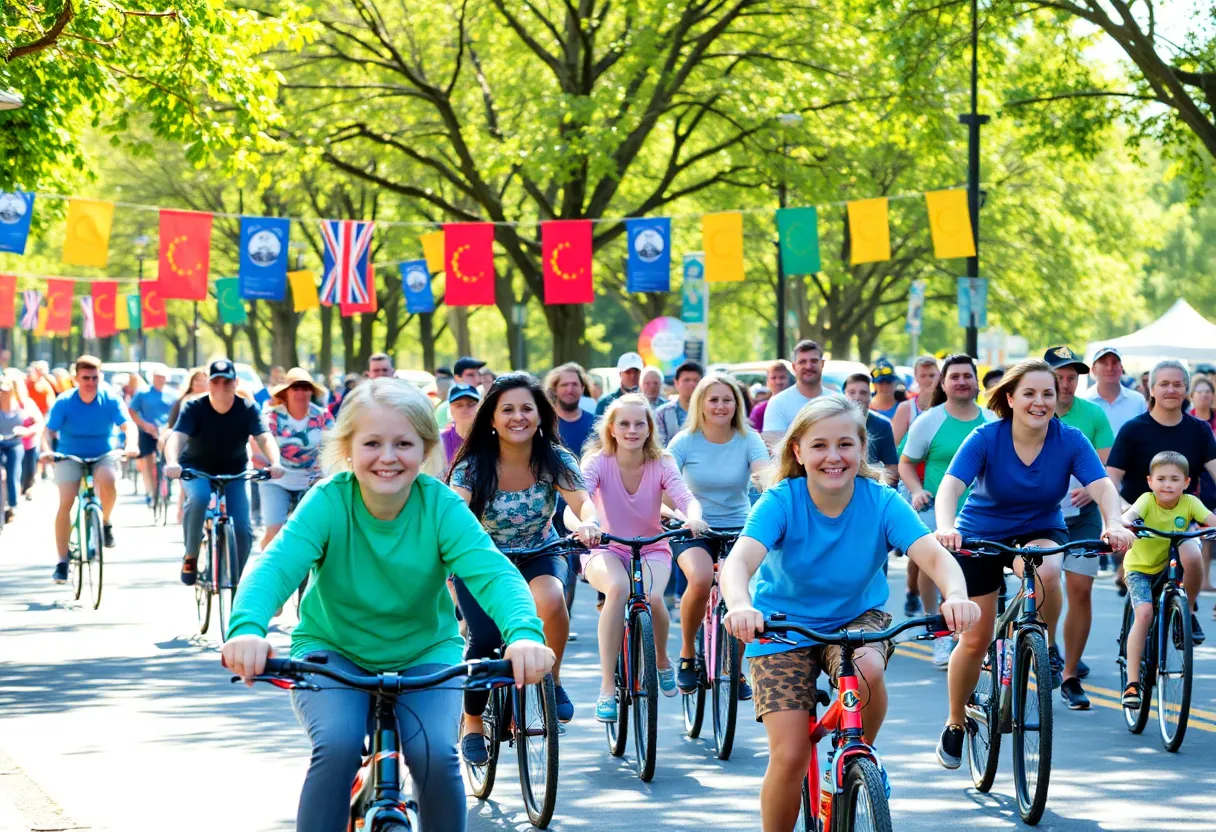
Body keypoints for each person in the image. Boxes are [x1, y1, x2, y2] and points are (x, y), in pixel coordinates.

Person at [223, 378, 553, 832]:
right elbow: (277, 566)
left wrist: (524, 635)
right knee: (337, 745)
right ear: (347, 448)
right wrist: (246, 629)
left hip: (425, 656)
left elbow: (494, 574)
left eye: (403, 443)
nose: (388, 456)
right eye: (372, 443)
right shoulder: (328, 500)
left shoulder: (439, 505)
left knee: (436, 756)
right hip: (331, 653)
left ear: (426, 448)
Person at [720, 396, 980, 830]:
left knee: (867, 669)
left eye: (845, 444)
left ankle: (858, 756)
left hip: (856, 620)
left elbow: (934, 556)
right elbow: (739, 563)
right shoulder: (781, 500)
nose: (833, 456)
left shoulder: (881, 500)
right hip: (780, 628)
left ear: (861, 449)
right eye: (819, 445)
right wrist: (742, 606)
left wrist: (955, 594)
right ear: (798, 452)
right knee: (789, 756)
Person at [932, 358, 1134, 769]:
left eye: (1047, 394)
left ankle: (1043, 641)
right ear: (1010, 398)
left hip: (1039, 528)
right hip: (979, 534)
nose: (1039, 402)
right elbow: (950, 487)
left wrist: (1114, 522)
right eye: (1029, 393)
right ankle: (955, 723)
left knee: (1047, 570)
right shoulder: (986, 437)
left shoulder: (1071, 439)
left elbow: (1102, 488)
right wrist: (945, 527)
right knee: (974, 638)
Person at [447, 372, 600, 760]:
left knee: (551, 601)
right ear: (492, 419)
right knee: (483, 639)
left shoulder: (556, 458)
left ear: (540, 415)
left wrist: (589, 522)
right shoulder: (472, 464)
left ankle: (553, 676)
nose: (519, 417)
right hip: (482, 560)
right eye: (508, 409)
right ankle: (473, 722)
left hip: (539, 550)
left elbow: (581, 502)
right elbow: (454, 510)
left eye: (527, 409)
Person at [573, 394, 706, 719]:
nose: (632, 430)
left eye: (639, 424)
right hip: (605, 547)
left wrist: (693, 517)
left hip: (651, 547)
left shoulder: (662, 462)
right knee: (618, 589)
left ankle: (661, 658)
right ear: (612, 429)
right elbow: (580, 502)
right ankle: (607, 688)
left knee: (654, 598)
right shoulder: (597, 462)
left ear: (649, 428)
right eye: (624, 424)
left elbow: (685, 497)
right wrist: (586, 524)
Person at [667, 373, 770, 698]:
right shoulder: (685, 441)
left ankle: (736, 670)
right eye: (713, 399)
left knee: (737, 590)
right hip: (693, 527)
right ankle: (686, 655)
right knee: (699, 579)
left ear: (737, 405)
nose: (721, 406)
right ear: (701, 403)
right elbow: (665, 483)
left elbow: (764, 474)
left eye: (727, 399)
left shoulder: (747, 438)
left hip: (738, 526)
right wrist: (675, 515)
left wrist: (770, 491)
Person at [1107, 359, 1216, 641]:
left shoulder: (1199, 429)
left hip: (1181, 516)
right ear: (1151, 389)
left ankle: (1187, 611)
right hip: (1140, 520)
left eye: (1178, 384)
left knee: (1192, 556)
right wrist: (1119, 517)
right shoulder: (1134, 429)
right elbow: (1111, 480)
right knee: (1144, 598)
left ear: (1186, 390)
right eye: (1164, 384)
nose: (1171, 389)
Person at [897, 354, 993, 664]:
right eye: (955, 376)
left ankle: (977, 634)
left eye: (968, 375)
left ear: (977, 382)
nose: (962, 381)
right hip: (937, 509)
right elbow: (906, 463)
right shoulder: (929, 419)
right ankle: (934, 624)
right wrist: (916, 489)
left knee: (979, 574)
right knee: (931, 565)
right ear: (944, 383)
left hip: (983, 512)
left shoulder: (992, 420)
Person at [164, 360, 285, 585]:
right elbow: (177, 436)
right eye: (216, 381)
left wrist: (275, 462)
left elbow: (264, 436)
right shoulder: (194, 407)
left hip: (235, 471)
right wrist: (172, 462)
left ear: (235, 382)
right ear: (209, 384)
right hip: (197, 468)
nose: (221, 386)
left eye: (227, 381)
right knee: (198, 498)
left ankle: (235, 579)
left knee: (242, 528)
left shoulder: (247, 408)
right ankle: (191, 554)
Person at [1042, 346, 1114, 709]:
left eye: (1072, 377)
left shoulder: (1093, 414)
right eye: (1059, 377)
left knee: (1081, 589)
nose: (1066, 384)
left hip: (1083, 517)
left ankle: (1070, 675)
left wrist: (1091, 489)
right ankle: (1045, 647)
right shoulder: (1034, 411)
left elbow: (1103, 470)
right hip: (1040, 517)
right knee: (1046, 583)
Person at [1119, 451, 1216, 708]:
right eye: (1161, 479)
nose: (1167, 484)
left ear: (1186, 483)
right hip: (1140, 569)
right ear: (1150, 481)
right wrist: (1125, 525)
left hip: (1170, 567)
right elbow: (1129, 516)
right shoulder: (1146, 500)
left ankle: (1189, 609)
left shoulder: (1190, 502)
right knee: (1144, 615)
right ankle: (1132, 684)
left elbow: (1210, 519)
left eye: (1174, 479)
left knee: (1191, 550)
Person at [44, 355, 139, 582]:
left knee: (108, 478)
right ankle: (61, 561)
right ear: (76, 378)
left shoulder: (110, 399)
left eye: (94, 378)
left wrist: (132, 444)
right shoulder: (65, 401)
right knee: (66, 501)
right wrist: (47, 450)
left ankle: (105, 521)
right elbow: (48, 431)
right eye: (85, 378)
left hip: (102, 454)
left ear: (100, 377)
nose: (90, 382)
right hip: (70, 454)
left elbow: (128, 425)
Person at [257, 368, 334, 551]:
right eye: (295, 388)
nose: (300, 392)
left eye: (305, 387)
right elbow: (258, 439)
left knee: (316, 532)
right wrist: (264, 462)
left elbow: (336, 442)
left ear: (311, 392)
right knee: (274, 531)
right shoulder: (272, 416)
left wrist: (329, 468)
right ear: (286, 392)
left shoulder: (322, 416)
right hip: (277, 480)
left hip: (311, 481)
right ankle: (269, 573)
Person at [128, 369, 177, 505]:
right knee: (147, 460)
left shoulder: (173, 395)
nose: (160, 379)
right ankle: (151, 491)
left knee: (169, 457)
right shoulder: (143, 393)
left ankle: (168, 486)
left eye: (163, 377)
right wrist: (144, 425)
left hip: (166, 431)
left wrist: (169, 427)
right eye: (158, 377)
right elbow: (132, 411)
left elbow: (179, 413)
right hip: (147, 431)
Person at [762, 340, 825, 442]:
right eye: (802, 362)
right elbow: (773, 447)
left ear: (822, 364)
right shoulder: (778, 403)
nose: (808, 366)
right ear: (794, 367)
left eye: (814, 361)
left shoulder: (838, 401)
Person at [0, 372, 42, 522]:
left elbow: (39, 422)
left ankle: (13, 505)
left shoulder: (25, 404)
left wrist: (27, 431)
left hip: (19, 444)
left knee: (15, 474)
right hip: (1, 442)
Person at [1188, 375, 1216, 594]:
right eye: (1201, 392)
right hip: (1196, 484)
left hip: (1213, 480)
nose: (1205, 395)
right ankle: (1201, 580)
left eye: (1209, 392)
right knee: (1199, 535)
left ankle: (1205, 579)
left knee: (1211, 533)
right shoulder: (1188, 422)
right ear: (1192, 396)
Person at [842, 373, 899, 482]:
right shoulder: (833, 424)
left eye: (863, 393)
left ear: (871, 396)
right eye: (852, 392)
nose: (857, 397)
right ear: (844, 395)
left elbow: (892, 468)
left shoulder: (882, 425)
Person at [1081, 346, 1147, 435]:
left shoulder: (1137, 400)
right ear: (1093, 370)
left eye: (1115, 362)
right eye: (1104, 363)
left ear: (1121, 368)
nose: (1110, 368)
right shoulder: (1084, 401)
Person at [544, 362, 597, 457]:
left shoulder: (595, 424)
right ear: (555, 389)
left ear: (582, 388)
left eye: (574, 384)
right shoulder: (543, 424)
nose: (570, 390)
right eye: (564, 385)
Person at [890, 355, 939, 444]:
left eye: (932, 375)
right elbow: (895, 444)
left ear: (940, 376)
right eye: (923, 376)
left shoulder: (949, 405)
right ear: (916, 378)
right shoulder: (906, 408)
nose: (928, 380)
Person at [655, 360, 703, 446]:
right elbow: (659, 445)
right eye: (686, 380)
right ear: (676, 383)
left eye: (696, 380)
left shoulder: (710, 412)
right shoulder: (662, 413)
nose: (692, 384)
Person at [435, 356, 484, 428]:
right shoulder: (444, 409)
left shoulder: (484, 401)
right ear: (457, 377)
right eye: (470, 375)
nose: (477, 380)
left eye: (478, 374)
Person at [440, 383, 479, 468]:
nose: (465, 409)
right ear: (450, 409)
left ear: (479, 407)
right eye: (459, 405)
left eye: (471, 404)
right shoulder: (440, 441)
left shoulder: (491, 439)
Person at [748, 362, 792, 432]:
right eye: (773, 378)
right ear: (767, 382)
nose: (778, 382)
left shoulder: (799, 405)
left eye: (782, 377)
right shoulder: (759, 410)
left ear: (788, 380)